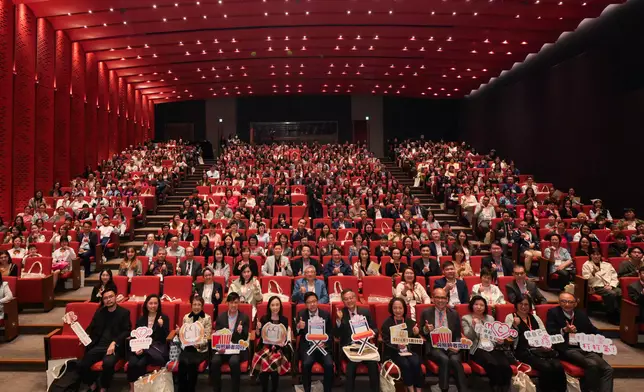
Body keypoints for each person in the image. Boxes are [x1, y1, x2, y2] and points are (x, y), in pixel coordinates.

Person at [546, 292, 614, 392]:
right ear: (559, 302)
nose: (567, 304)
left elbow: (592, 329)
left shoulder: (581, 314)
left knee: (608, 369)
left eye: (570, 302)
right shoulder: (553, 313)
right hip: (567, 349)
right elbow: (550, 333)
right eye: (563, 301)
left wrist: (599, 337)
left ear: (575, 304)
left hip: (584, 347)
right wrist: (564, 330)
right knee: (592, 365)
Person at [505, 294, 566, 392]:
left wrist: (547, 344)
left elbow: (544, 333)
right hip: (524, 351)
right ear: (516, 305)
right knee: (546, 367)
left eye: (526, 304)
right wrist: (514, 326)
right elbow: (508, 338)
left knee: (558, 366)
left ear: (530, 306)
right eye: (520, 304)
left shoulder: (535, 317)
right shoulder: (511, 317)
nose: (523, 307)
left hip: (540, 350)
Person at [78, 287, 131, 392]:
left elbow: (127, 331)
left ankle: (104, 386)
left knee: (108, 363)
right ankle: (92, 383)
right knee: (81, 364)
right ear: (103, 300)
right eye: (105, 298)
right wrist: (84, 337)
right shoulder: (99, 312)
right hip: (99, 345)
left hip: (114, 347)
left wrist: (114, 342)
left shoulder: (124, 313)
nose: (108, 300)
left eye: (111, 297)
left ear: (116, 297)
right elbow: (91, 327)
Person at [419, 288, 469, 392]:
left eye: (443, 298)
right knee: (444, 359)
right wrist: (426, 329)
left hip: (451, 345)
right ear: (432, 299)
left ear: (447, 300)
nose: (440, 300)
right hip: (435, 347)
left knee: (455, 360)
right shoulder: (426, 312)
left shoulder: (454, 313)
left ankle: (463, 390)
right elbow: (421, 332)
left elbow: (458, 334)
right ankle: (444, 389)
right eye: (437, 297)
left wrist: (456, 346)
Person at [462, 296, 513, 392]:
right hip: (477, 348)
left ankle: (504, 387)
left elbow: (495, 335)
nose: (479, 307)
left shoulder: (490, 318)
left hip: (492, 347)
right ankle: (496, 386)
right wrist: (473, 325)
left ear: (485, 307)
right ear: (472, 306)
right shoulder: (466, 318)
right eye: (476, 304)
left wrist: (499, 339)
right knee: (492, 364)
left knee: (505, 365)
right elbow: (469, 337)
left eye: (482, 305)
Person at [334, 289, 379, 392]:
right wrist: (339, 321)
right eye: (346, 299)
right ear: (343, 301)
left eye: (351, 298)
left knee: (373, 365)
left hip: (365, 346)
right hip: (350, 348)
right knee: (351, 366)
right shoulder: (341, 313)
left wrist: (370, 333)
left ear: (355, 298)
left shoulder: (365, 312)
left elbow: (375, 329)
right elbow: (336, 335)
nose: (349, 301)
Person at [127, 294, 169, 391]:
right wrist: (137, 348)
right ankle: (132, 387)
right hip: (140, 347)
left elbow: (164, 338)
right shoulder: (141, 319)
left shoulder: (164, 318)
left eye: (155, 303)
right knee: (132, 363)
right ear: (146, 305)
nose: (153, 306)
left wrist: (160, 326)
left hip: (155, 349)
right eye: (150, 303)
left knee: (140, 364)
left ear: (159, 305)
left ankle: (142, 388)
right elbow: (136, 336)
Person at [381, 297, 424, 392]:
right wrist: (397, 346)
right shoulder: (387, 323)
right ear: (391, 309)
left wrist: (416, 334)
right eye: (395, 308)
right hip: (394, 352)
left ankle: (419, 389)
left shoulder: (410, 322)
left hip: (409, 351)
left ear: (404, 309)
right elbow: (386, 341)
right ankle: (411, 389)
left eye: (400, 308)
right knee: (405, 364)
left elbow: (415, 341)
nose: (398, 310)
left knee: (416, 362)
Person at [211, 292, 250, 392]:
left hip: (236, 348)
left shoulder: (244, 317)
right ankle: (217, 389)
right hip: (223, 348)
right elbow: (217, 334)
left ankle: (235, 389)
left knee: (234, 362)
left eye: (236, 302)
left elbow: (245, 338)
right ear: (227, 303)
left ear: (238, 304)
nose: (233, 305)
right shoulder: (221, 317)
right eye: (231, 302)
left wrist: (241, 332)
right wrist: (220, 347)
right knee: (215, 361)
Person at [251, 296, 292, 392]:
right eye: (273, 305)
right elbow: (258, 336)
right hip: (265, 347)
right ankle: (264, 389)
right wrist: (257, 329)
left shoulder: (284, 320)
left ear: (280, 306)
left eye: (277, 305)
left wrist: (282, 343)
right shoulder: (264, 319)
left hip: (279, 349)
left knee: (274, 367)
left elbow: (285, 337)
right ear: (269, 306)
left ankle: (274, 389)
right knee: (264, 366)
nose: (275, 307)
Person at [296, 292, 333, 392]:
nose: (312, 304)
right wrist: (299, 327)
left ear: (317, 302)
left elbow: (330, 333)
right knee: (306, 364)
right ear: (305, 304)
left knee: (329, 364)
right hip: (309, 347)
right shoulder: (301, 314)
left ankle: (327, 390)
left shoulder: (325, 314)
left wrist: (325, 343)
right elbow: (296, 333)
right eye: (309, 302)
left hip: (322, 347)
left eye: (314, 301)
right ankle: (307, 390)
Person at [177, 295, 212, 392]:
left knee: (192, 364)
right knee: (182, 363)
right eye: (194, 304)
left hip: (200, 349)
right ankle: (181, 389)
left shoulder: (207, 318)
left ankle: (191, 389)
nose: (196, 307)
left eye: (199, 305)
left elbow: (207, 336)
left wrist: (199, 344)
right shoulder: (186, 317)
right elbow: (183, 335)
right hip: (188, 347)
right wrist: (179, 332)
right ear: (191, 305)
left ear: (202, 306)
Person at [581, 249, 621, 322]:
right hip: (596, 287)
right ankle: (611, 314)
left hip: (609, 285)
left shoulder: (607, 265)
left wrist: (611, 286)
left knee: (620, 291)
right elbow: (587, 280)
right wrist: (593, 273)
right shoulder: (587, 265)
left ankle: (620, 313)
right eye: (594, 254)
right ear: (590, 255)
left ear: (601, 256)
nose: (596, 256)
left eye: (598, 254)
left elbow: (614, 276)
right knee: (611, 293)